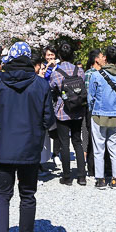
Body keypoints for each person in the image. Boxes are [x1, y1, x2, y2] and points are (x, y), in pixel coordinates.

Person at [0, 41, 54, 232]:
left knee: (2, 195)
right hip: (30, 148)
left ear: (9, 58)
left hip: (3, 146)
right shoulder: (41, 84)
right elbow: (48, 119)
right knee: (28, 195)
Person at [87, 45, 116, 189]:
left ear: (105, 58)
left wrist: (93, 109)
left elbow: (91, 97)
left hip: (98, 115)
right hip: (115, 116)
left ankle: (101, 179)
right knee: (114, 148)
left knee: (99, 148)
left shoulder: (96, 75)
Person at [49, 42, 87, 186]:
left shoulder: (57, 73)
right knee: (77, 141)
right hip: (78, 110)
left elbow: (51, 89)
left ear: (59, 56)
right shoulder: (80, 71)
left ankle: (66, 176)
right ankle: (82, 176)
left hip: (62, 111)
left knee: (64, 143)